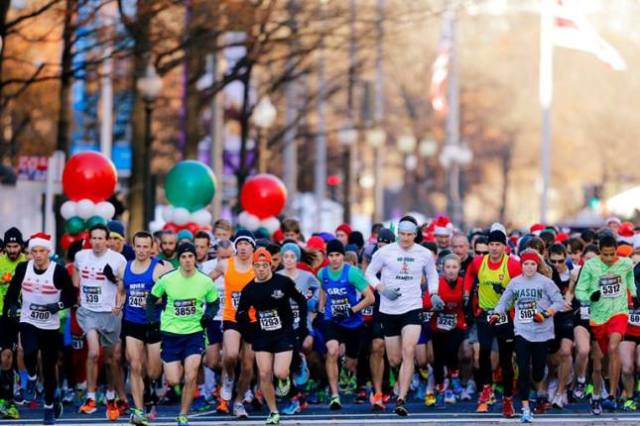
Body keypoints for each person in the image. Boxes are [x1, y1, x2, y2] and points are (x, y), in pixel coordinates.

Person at [365, 215, 439, 416]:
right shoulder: (385, 252)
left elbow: (432, 274)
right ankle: (405, 377)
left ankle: (401, 399)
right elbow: (369, 273)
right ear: (398, 234)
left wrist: (433, 293)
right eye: (402, 234)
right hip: (389, 310)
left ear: (415, 235)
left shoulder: (423, 253)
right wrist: (381, 288)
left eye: (410, 235)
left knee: (409, 351)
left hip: (412, 307)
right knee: (395, 359)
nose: (406, 238)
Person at [3, 233, 75, 425]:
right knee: (28, 352)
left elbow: (71, 297)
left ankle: (49, 409)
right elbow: (11, 294)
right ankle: (32, 378)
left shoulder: (58, 271)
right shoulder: (23, 268)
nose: (38, 255)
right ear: (30, 253)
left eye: (42, 251)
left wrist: (58, 305)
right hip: (28, 320)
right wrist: (11, 307)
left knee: (50, 370)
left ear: (48, 252)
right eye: (34, 251)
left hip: (50, 326)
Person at [146, 242, 219, 426]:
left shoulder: (205, 281)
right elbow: (151, 299)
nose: (187, 260)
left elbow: (214, 302)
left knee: (191, 374)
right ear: (179, 260)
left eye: (190, 256)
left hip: (194, 333)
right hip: (170, 333)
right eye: (184, 257)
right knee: (173, 378)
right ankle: (176, 388)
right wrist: (154, 319)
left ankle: (183, 414)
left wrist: (208, 316)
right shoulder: (167, 279)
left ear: (195, 259)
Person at [236, 248, 309, 425]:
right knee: (264, 373)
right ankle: (273, 411)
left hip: (284, 332)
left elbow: (300, 301)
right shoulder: (249, 289)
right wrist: (250, 330)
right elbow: (241, 313)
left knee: (280, 371)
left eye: (265, 265)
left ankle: (288, 374)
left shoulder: (283, 282)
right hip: (262, 335)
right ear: (252, 266)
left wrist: (301, 326)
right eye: (257, 265)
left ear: (271, 266)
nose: (261, 269)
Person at [492, 249, 565, 423]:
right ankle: (525, 409)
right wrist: (496, 313)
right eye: (526, 264)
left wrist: (546, 314)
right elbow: (504, 300)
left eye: (532, 264)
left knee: (538, 372)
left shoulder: (546, 282)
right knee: (523, 368)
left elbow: (559, 301)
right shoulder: (515, 283)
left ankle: (539, 379)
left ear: (537, 265)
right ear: (521, 265)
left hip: (542, 332)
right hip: (521, 330)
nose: (529, 267)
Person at [575, 234, 638, 414]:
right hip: (598, 317)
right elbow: (580, 290)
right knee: (600, 362)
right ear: (599, 251)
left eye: (612, 254)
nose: (609, 258)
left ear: (616, 250)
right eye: (605, 254)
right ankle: (604, 385)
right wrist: (589, 296)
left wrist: (634, 296)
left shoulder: (625, 264)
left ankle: (611, 395)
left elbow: (629, 281)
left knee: (613, 347)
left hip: (619, 313)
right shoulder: (590, 265)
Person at [463, 228, 521, 417]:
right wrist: (466, 293)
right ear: (488, 246)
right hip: (485, 314)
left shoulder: (512, 265)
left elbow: (522, 287)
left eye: (498, 245)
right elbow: (470, 274)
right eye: (492, 245)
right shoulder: (479, 262)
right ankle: (485, 391)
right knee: (484, 352)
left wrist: (506, 290)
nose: (494, 249)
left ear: (505, 247)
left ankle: (507, 400)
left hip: (505, 316)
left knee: (505, 360)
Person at [73, 224, 128, 420]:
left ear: (107, 240)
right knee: (94, 352)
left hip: (110, 313)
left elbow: (123, 285)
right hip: (88, 312)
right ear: (90, 240)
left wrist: (114, 281)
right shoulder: (81, 256)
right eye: (93, 238)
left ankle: (111, 396)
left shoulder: (117, 259)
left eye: (100, 238)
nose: (96, 242)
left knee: (111, 360)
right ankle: (90, 397)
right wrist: (77, 291)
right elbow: (76, 277)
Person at [119, 231, 172, 425]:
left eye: (145, 247)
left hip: (153, 322)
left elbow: (169, 296)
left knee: (152, 370)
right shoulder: (125, 267)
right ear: (133, 247)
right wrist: (118, 304)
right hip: (132, 322)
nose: (141, 250)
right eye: (138, 246)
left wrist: (152, 301)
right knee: (134, 364)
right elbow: (122, 290)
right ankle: (138, 410)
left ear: (151, 248)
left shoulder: (159, 269)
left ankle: (150, 386)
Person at [319, 240, 374, 410]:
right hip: (332, 320)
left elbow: (370, 298)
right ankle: (335, 395)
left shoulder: (353, 273)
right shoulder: (322, 273)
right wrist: (321, 307)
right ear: (327, 257)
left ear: (343, 256)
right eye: (331, 255)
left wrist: (352, 310)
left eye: (337, 255)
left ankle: (345, 370)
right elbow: (324, 289)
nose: (334, 259)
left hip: (353, 323)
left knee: (351, 364)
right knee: (332, 351)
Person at [209, 230, 256, 418]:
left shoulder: (259, 266)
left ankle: (238, 402)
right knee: (230, 355)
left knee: (247, 366)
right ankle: (228, 378)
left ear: (253, 247)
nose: (243, 247)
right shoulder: (226, 265)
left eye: (247, 244)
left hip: (253, 320)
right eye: (240, 243)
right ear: (236, 246)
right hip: (231, 317)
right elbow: (205, 281)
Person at [422, 254, 467, 409]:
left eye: (454, 267)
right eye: (448, 267)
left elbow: (472, 301)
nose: (451, 270)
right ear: (442, 268)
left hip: (457, 325)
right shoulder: (437, 283)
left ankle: (454, 374)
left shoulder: (463, 283)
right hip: (438, 327)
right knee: (438, 360)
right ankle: (441, 390)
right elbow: (425, 302)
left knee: (451, 350)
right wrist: (434, 304)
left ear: (459, 269)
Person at [0, 227, 25, 417]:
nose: (12, 249)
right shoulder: (0, 263)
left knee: (30, 355)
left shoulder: (29, 263)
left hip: (27, 316)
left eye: (15, 246)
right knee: (5, 356)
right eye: (9, 246)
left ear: (21, 246)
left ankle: (28, 382)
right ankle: (7, 401)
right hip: (3, 316)